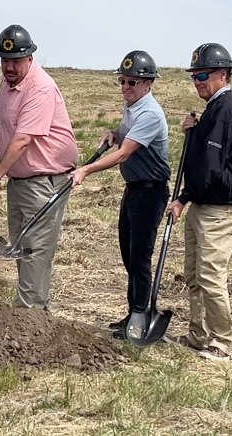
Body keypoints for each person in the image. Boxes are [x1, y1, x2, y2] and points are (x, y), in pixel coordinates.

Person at [165, 43, 232, 361]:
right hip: (205, 203)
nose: (198, 81)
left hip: (221, 209)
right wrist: (192, 133)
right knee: (194, 275)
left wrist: (183, 197)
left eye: (204, 75)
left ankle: (222, 342)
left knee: (210, 274)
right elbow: (206, 158)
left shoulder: (226, 111)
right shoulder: (214, 109)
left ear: (223, 75)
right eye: (195, 76)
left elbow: (211, 165)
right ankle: (198, 335)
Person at [71, 50, 169, 339]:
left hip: (151, 192)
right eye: (122, 81)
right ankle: (133, 313)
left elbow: (125, 154)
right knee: (128, 254)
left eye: (132, 83)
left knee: (140, 257)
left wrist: (86, 171)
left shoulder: (150, 113)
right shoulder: (133, 108)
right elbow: (125, 137)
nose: (126, 88)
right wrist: (113, 133)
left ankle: (141, 321)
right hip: (135, 189)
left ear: (149, 83)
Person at [0, 25, 79, 311]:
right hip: (21, 179)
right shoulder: (8, 81)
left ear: (30, 58)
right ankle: (34, 311)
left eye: (15, 61)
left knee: (35, 249)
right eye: (4, 60)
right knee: (21, 247)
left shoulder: (40, 87)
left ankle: (30, 316)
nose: (9, 67)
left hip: (44, 181)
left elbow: (23, 139)